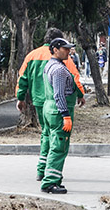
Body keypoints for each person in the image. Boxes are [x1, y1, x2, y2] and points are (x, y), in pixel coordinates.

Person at [16, 28, 85, 182]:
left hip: (40, 101)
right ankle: (50, 175)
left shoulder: (32, 55)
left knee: (46, 134)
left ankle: (41, 169)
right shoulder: (63, 58)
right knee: (56, 137)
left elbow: (23, 78)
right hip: (57, 103)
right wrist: (80, 95)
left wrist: (20, 98)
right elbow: (74, 78)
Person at [40, 37, 79, 194]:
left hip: (48, 109)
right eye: (65, 48)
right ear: (55, 49)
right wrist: (66, 115)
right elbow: (59, 95)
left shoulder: (49, 65)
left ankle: (47, 175)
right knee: (59, 147)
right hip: (58, 111)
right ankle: (50, 183)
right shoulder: (59, 70)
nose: (68, 51)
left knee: (50, 144)